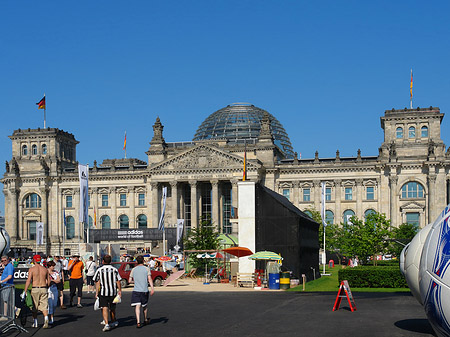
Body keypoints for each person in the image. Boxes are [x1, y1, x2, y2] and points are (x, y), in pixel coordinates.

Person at [93, 254, 122, 332]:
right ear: (111, 261)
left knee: (104, 307)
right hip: (112, 291)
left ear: (103, 261)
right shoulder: (114, 270)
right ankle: (113, 320)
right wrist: (119, 291)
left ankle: (106, 323)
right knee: (112, 307)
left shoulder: (100, 270)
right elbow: (118, 281)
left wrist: (96, 292)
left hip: (103, 292)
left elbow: (96, 281)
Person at [23, 255, 49, 328]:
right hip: (44, 288)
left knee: (34, 306)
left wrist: (25, 290)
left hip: (35, 288)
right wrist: (47, 287)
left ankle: (35, 322)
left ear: (34, 260)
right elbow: (49, 281)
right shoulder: (45, 269)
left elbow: (28, 280)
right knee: (44, 306)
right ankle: (46, 318)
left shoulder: (32, 269)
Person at [128, 255, 154, 328]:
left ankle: (138, 322)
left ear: (136, 262)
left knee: (137, 306)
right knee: (144, 306)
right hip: (144, 290)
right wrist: (152, 288)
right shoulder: (146, 269)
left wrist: (135, 281)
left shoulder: (133, 269)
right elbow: (149, 279)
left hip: (136, 290)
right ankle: (145, 319)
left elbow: (129, 281)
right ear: (143, 261)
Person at [0, 256, 14, 320]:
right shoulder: (7, 266)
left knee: (5, 300)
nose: (3, 262)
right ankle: (15, 309)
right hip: (5, 285)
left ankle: (5, 315)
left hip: (7, 285)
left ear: (8, 260)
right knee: (5, 300)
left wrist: (2, 281)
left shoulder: (10, 266)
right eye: (2, 261)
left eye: (5, 260)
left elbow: (10, 276)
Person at [47, 261, 61, 325]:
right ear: (49, 266)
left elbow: (58, 280)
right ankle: (50, 318)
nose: (53, 267)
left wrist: (53, 280)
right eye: (52, 266)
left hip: (54, 288)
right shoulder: (46, 272)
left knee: (55, 303)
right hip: (48, 289)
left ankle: (52, 314)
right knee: (50, 304)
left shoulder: (56, 272)